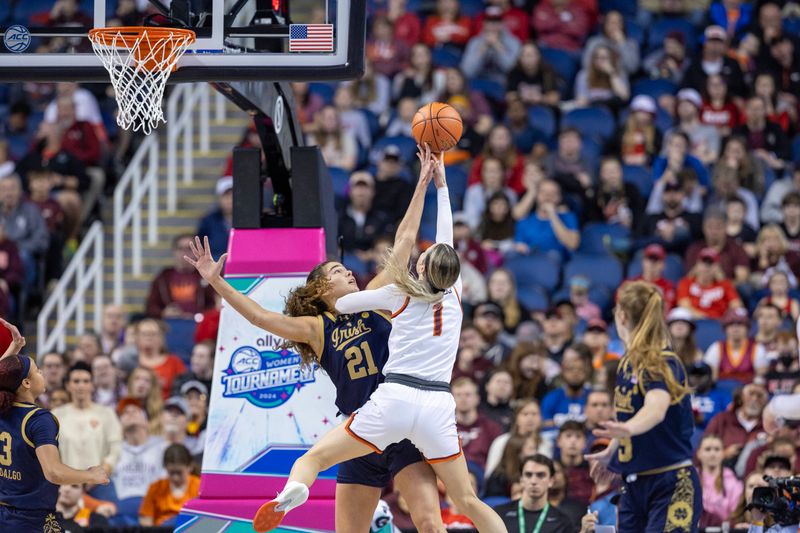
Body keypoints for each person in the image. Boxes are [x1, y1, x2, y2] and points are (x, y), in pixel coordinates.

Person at [185, 146, 446, 532]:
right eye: (340, 271)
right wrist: (216, 280)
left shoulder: (372, 299)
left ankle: (295, 486)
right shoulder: (318, 327)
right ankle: (294, 489)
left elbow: (405, 241)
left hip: (383, 423)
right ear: (322, 287)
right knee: (414, 524)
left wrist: (421, 184)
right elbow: (261, 316)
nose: (350, 275)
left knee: (428, 521)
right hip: (365, 427)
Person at [245, 154, 507, 532]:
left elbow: (346, 303)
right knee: (466, 499)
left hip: (393, 400)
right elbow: (444, 236)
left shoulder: (397, 296)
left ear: (419, 268)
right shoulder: (455, 293)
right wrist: (441, 185)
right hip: (436, 405)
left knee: (316, 458)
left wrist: (348, 295)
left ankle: (295, 487)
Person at [586, 281, 702, 533]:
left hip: (670, 483)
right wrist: (613, 452)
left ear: (622, 316)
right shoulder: (627, 362)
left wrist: (627, 429)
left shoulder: (659, 361)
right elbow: (630, 416)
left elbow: (655, 409)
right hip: (633, 484)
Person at [0, 319, 109, 531]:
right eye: (38, 371)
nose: (42, 374)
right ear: (27, 383)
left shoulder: (3, 408)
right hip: (31, 520)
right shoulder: (39, 419)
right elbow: (53, 473)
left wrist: (13, 350)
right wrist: (90, 474)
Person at [492, 454, 584, 532]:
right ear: (521, 480)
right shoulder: (499, 514)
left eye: (541, 475)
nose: (534, 481)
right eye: (528, 475)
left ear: (551, 481)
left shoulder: (562, 521)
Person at [139, 443, 200, 526]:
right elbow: (145, 521)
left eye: (179, 473)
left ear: (190, 467)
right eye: (171, 473)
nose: (175, 478)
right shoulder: (155, 488)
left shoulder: (200, 487)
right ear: (165, 467)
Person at [697, 434, 742, 528]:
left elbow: (735, 514)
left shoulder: (733, 482)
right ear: (699, 454)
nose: (712, 454)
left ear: (723, 453)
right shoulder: (690, 478)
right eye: (707, 449)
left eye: (717, 449)